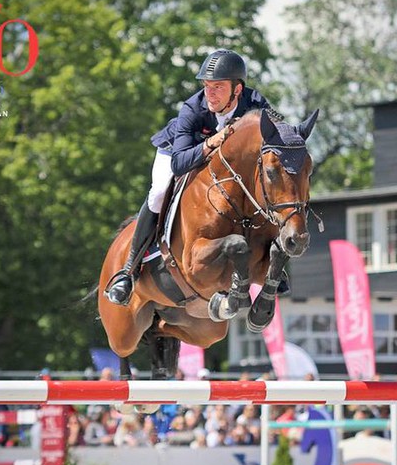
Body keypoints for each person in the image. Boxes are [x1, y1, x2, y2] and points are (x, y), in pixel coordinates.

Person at [105, 49, 279, 305]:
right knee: (159, 192)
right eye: (207, 86)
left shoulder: (256, 105)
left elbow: (277, 136)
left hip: (222, 164)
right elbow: (179, 163)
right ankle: (129, 271)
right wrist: (212, 142)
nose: (210, 93)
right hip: (177, 151)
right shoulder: (193, 108)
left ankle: (269, 263)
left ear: (237, 89)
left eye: (218, 86)